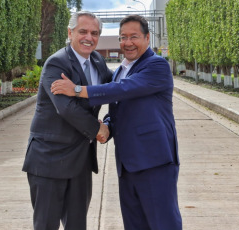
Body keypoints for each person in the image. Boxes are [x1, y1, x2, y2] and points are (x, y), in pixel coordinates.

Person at [51, 14, 182, 230]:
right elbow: (118, 110)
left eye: (134, 37)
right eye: (123, 37)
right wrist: (107, 127)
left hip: (155, 163)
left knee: (162, 223)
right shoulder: (121, 70)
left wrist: (76, 90)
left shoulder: (156, 66)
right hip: (128, 165)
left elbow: (122, 90)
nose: (127, 43)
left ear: (147, 38)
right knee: (134, 224)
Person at [22, 11, 112, 230]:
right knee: (46, 225)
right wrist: (98, 128)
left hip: (81, 161)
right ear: (70, 32)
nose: (88, 37)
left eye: (94, 33)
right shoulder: (57, 64)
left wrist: (110, 124)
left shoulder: (98, 61)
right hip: (49, 160)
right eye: (83, 31)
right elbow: (66, 108)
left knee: (77, 225)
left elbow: (113, 90)